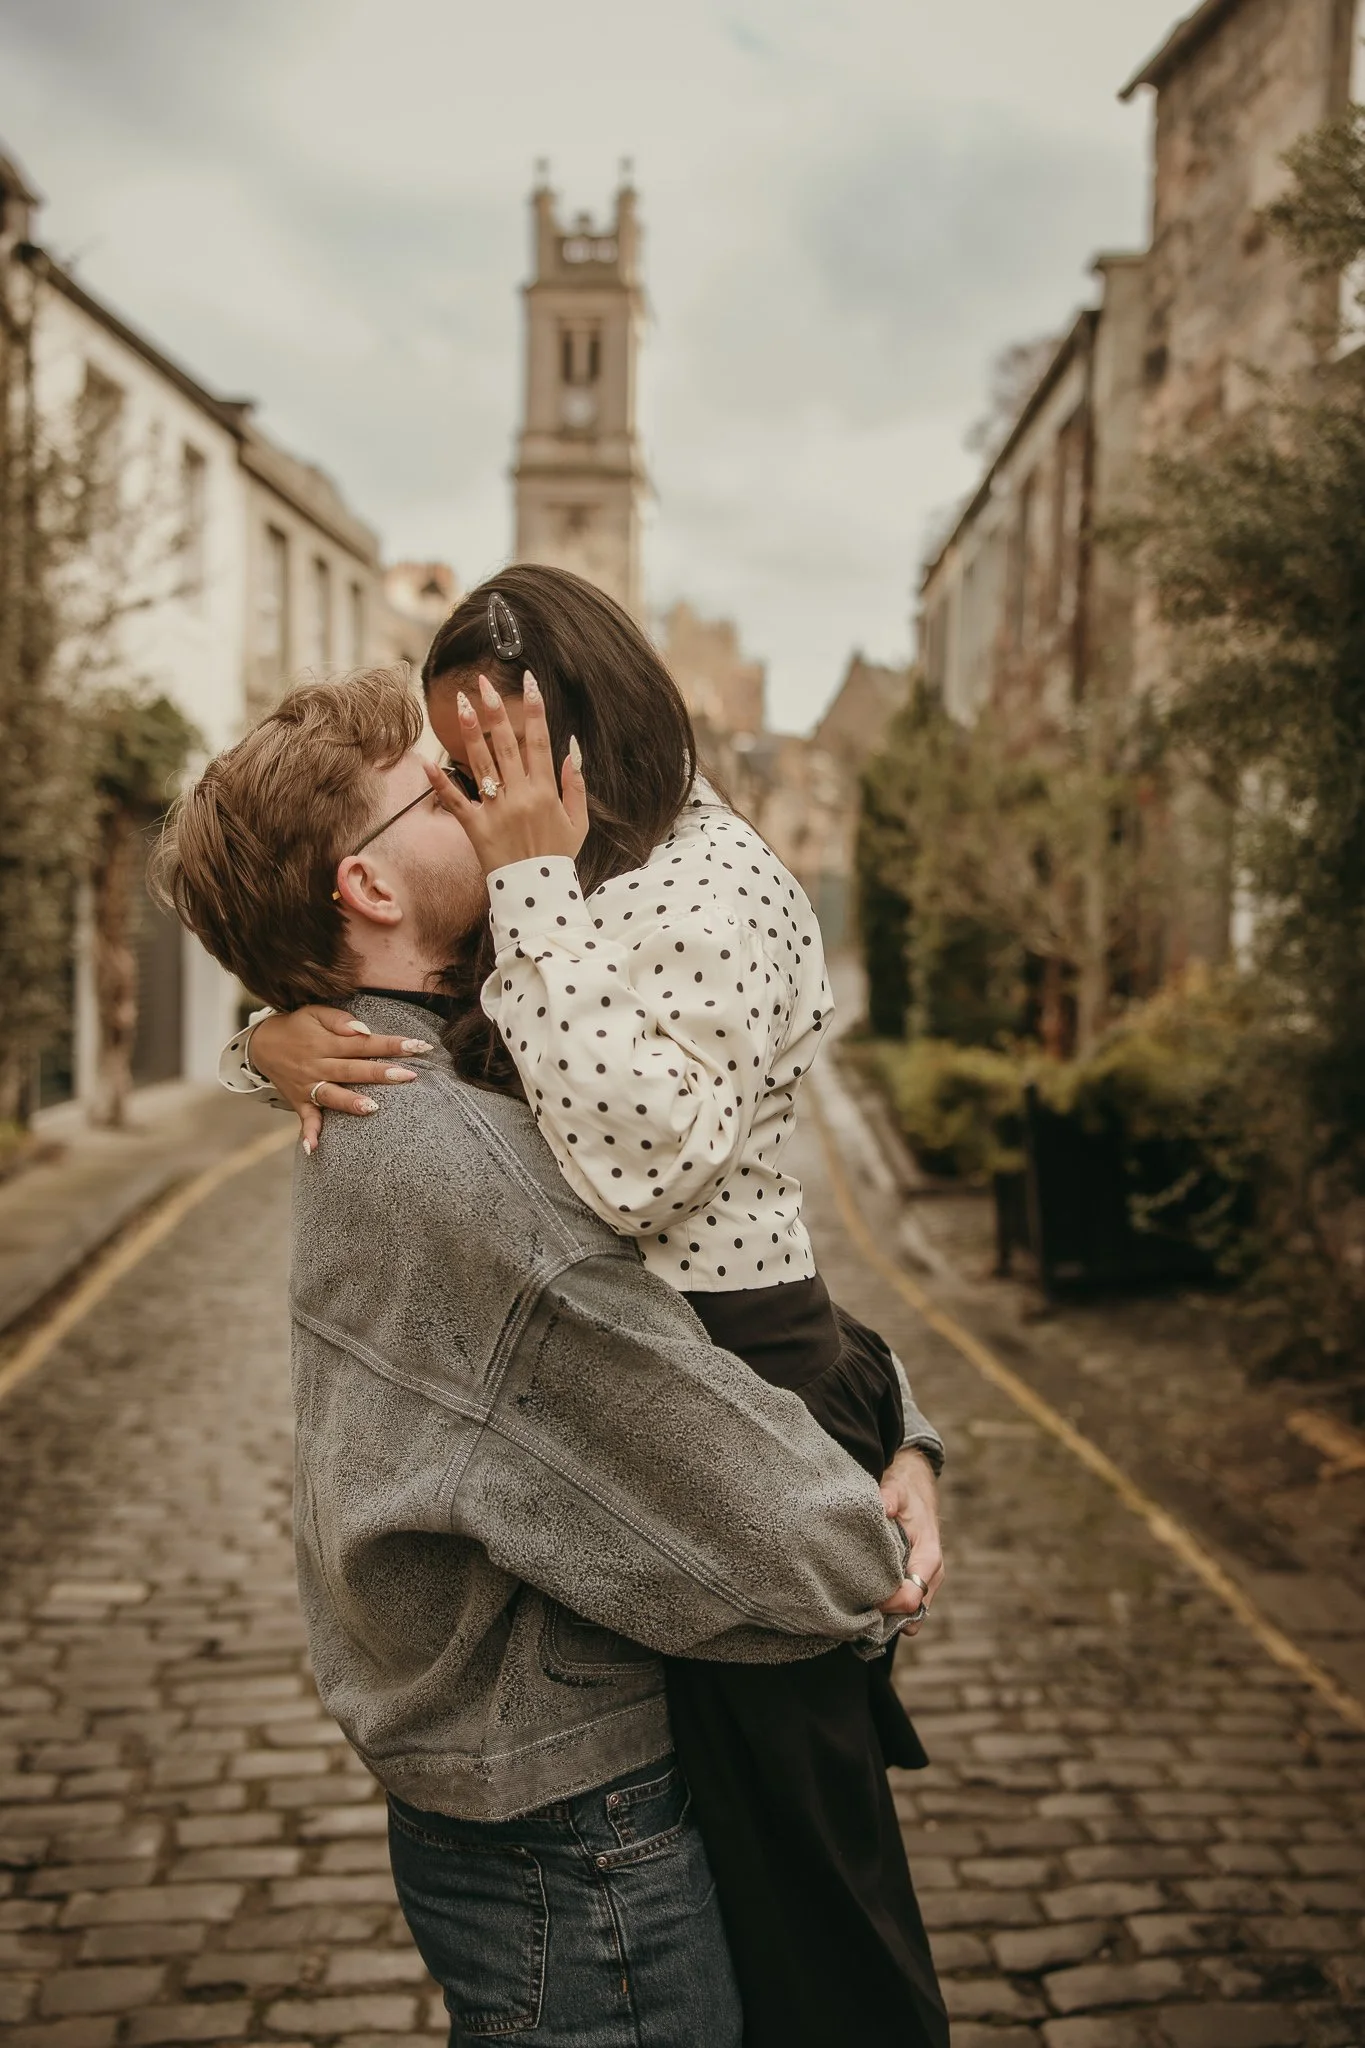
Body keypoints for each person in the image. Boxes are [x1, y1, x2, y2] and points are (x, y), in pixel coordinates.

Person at [158, 666, 944, 2048]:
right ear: (371, 890)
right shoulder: (468, 1164)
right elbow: (742, 1490)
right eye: (441, 784)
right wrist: (873, 1546)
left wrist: (903, 1427)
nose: (487, 791)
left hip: (517, 1811)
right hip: (578, 1852)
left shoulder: (451, 1058)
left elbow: (732, 1250)